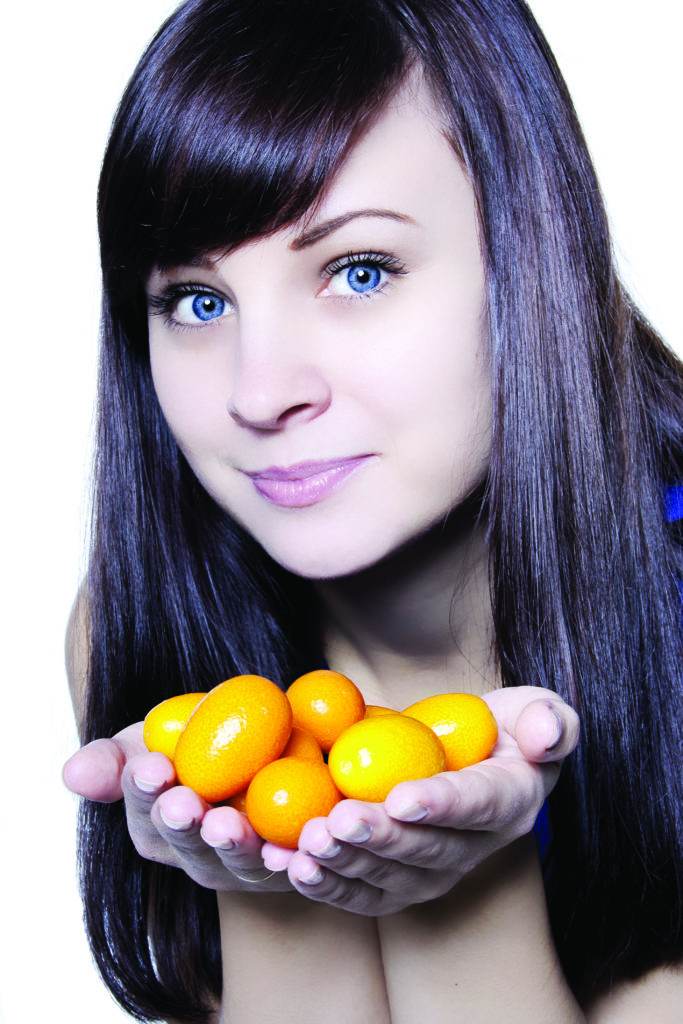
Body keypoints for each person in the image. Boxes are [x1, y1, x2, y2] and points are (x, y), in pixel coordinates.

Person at [61, 1, 683, 1021]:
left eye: (358, 270)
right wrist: (261, 870)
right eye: (197, 300)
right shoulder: (146, 634)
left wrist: (460, 886)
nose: (260, 393)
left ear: (534, 257)